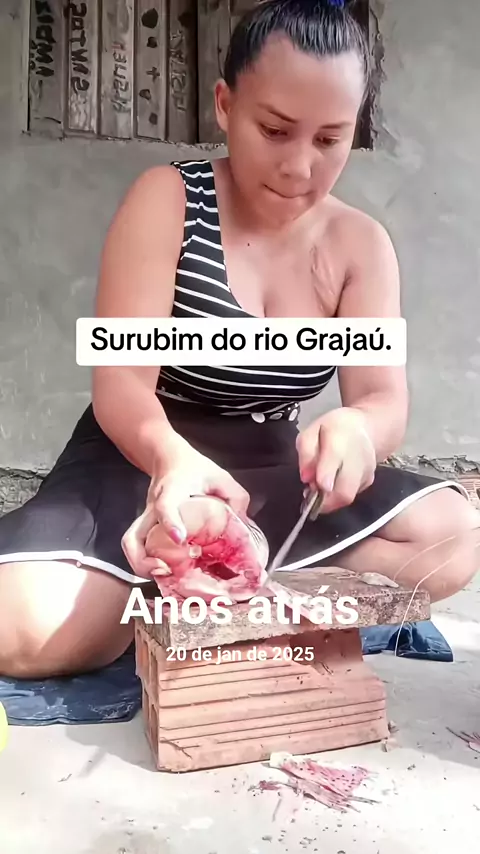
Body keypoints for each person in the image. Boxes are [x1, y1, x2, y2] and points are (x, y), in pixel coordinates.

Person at [0, 0, 478, 680]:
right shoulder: (168, 200)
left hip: (271, 477)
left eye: (329, 139)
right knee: (24, 628)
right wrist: (171, 464)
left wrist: (359, 430)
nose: (299, 167)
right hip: (145, 455)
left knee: (452, 537)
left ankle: (201, 578)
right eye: (275, 130)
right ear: (225, 106)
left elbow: (382, 401)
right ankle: (173, 570)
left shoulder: (361, 246)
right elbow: (121, 384)